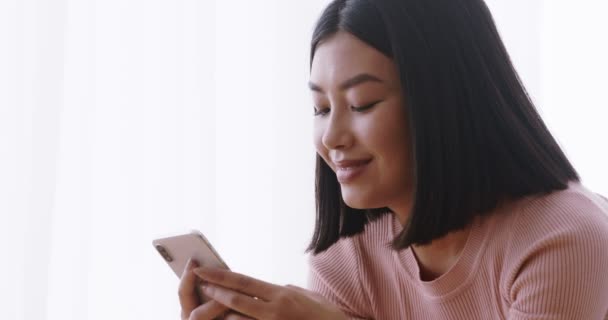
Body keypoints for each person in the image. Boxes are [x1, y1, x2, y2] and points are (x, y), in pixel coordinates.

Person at [178, 0, 608, 319]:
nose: (331, 137)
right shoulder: (348, 258)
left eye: (362, 103)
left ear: (444, 102)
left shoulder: (562, 240)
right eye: (321, 108)